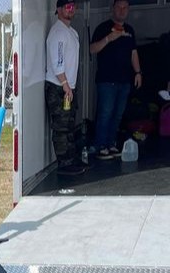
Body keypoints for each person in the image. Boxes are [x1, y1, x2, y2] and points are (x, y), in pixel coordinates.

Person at [89, 0, 142, 160]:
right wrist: (108, 39)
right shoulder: (103, 28)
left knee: (118, 115)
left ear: (128, 10)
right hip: (106, 80)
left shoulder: (130, 30)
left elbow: (134, 53)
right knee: (105, 113)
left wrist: (138, 72)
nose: (121, 10)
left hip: (124, 81)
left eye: (125, 7)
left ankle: (111, 144)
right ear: (113, 9)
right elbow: (92, 49)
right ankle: (101, 146)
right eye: (119, 7)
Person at [45, 0, 85, 176]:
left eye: (73, 7)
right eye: (67, 7)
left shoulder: (72, 32)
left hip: (68, 87)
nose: (71, 10)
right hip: (59, 87)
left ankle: (72, 158)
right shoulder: (58, 32)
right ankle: (64, 163)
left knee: (69, 125)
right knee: (61, 127)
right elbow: (57, 61)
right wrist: (65, 84)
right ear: (59, 10)